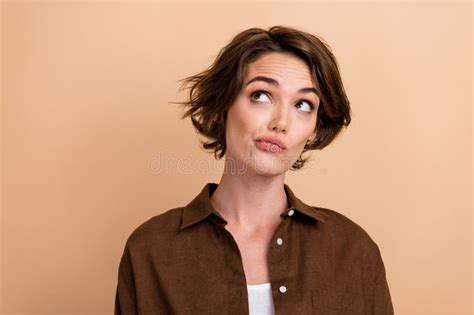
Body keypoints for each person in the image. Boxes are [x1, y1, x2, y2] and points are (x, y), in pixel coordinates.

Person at [115, 26, 394, 314]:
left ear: (314, 130)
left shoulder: (352, 249)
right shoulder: (151, 250)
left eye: (303, 104)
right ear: (219, 108)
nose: (281, 122)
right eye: (261, 95)